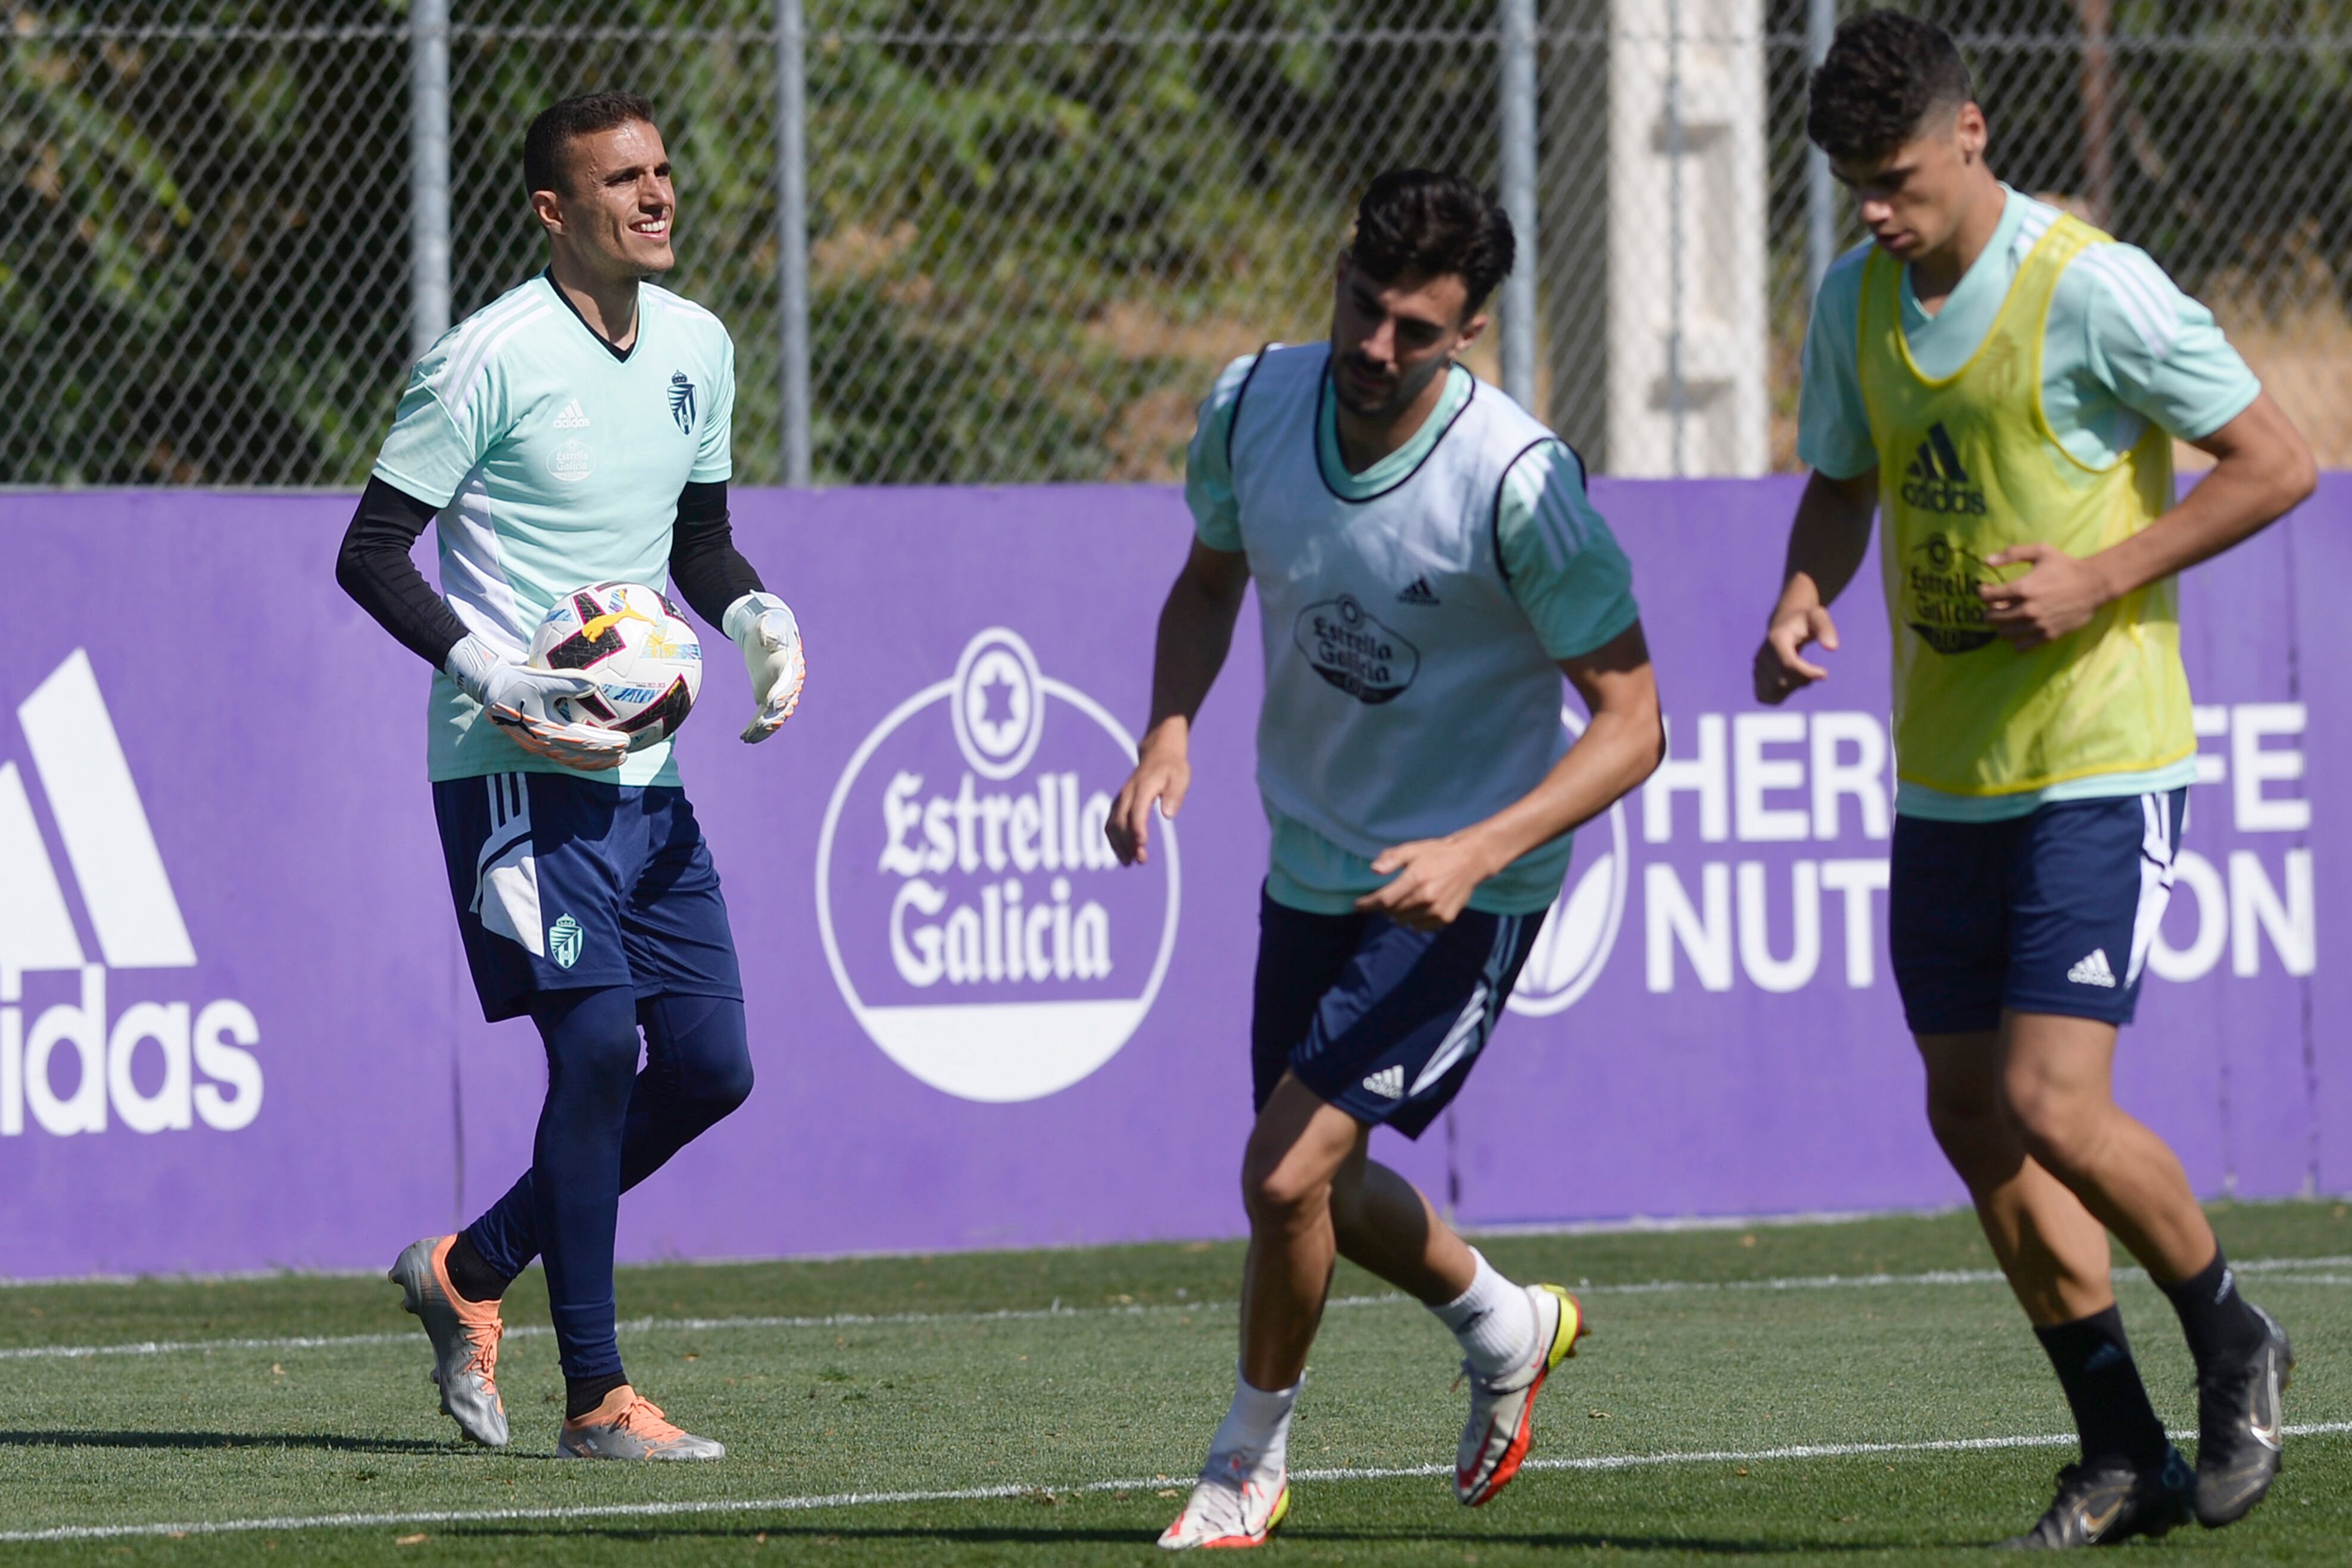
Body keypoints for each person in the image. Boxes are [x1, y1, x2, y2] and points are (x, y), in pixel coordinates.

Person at [1755, 13, 2314, 1548]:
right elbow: (1843, 475)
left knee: (2051, 1102)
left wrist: (2102, 576)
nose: (1877, 208)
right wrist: (1804, 597)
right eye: (1854, 184)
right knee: (1970, 1119)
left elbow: (2274, 461)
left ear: (1972, 134)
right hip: (1944, 778)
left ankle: (2230, 1332)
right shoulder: (1855, 299)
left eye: (1900, 175)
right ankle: (2120, 1445)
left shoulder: (2091, 287)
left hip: (2096, 760)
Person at [1109, 169, 1664, 1550]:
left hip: (1468, 888)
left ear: (1469, 333)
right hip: (1312, 858)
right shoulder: (1250, 404)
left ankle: (1247, 1461)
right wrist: (1166, 732)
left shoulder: (1519, 486)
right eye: (1364, 306)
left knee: (1284, 1176)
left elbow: (1635, 725)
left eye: (1415, 330)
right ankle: (1506, 1325)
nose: (1374, 347)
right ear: (1340, 271)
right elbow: (1207, 579)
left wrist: (1478, 851)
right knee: (1321, 1185)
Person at [334, 90, 806, 1460]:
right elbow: (370, 553)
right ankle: (597, 1396)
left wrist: (758, 613)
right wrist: (499, 676)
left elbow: (701, 542)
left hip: (644, 786)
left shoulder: (701, 348)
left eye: (663, 170)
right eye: (621, 181)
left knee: (711, 1068)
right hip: (508, 769)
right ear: (556, 211)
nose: (657, 196)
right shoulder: (486, 358)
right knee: (598, 1047)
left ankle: (470, 1268)